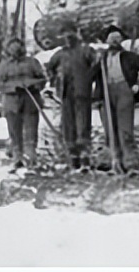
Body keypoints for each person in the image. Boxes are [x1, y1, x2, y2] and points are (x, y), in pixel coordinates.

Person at [93, 26, 139, 175]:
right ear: (106, 40)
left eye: (117, 37)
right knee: (110, 131)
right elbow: (89, 76)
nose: (115, 40)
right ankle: (116, 163)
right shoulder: (101, 58)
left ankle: (132, 165)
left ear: (121, 39)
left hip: (124, 92)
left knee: (125, 130)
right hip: (106, 94)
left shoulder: (129, 56)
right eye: (111, 37)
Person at [46, 26, 98, 169]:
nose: (68, 40)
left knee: (83, 125)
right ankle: (73, 157)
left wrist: (89, 78)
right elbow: (50, 67)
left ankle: (85, 158)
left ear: (76, 35)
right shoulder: (60, 54)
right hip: (66, 92)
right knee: (69, 126)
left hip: (82, 93)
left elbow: (97, 64)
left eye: (70, 36)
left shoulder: (85, 50)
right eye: (65, 38)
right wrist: (54, 79)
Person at [0, 37, 46, 171]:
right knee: (14, 132)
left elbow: (42, 79)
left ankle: (31, 159)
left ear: (22, 48)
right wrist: (13, 87)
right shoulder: (4, 65)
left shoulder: (32, 62)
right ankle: (17, 159)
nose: (15, 50)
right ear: (8, 50)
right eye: (12, 48)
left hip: (30, 101)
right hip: (11, 103)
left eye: (18, 47)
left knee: (31, 131)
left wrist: (32, 85)